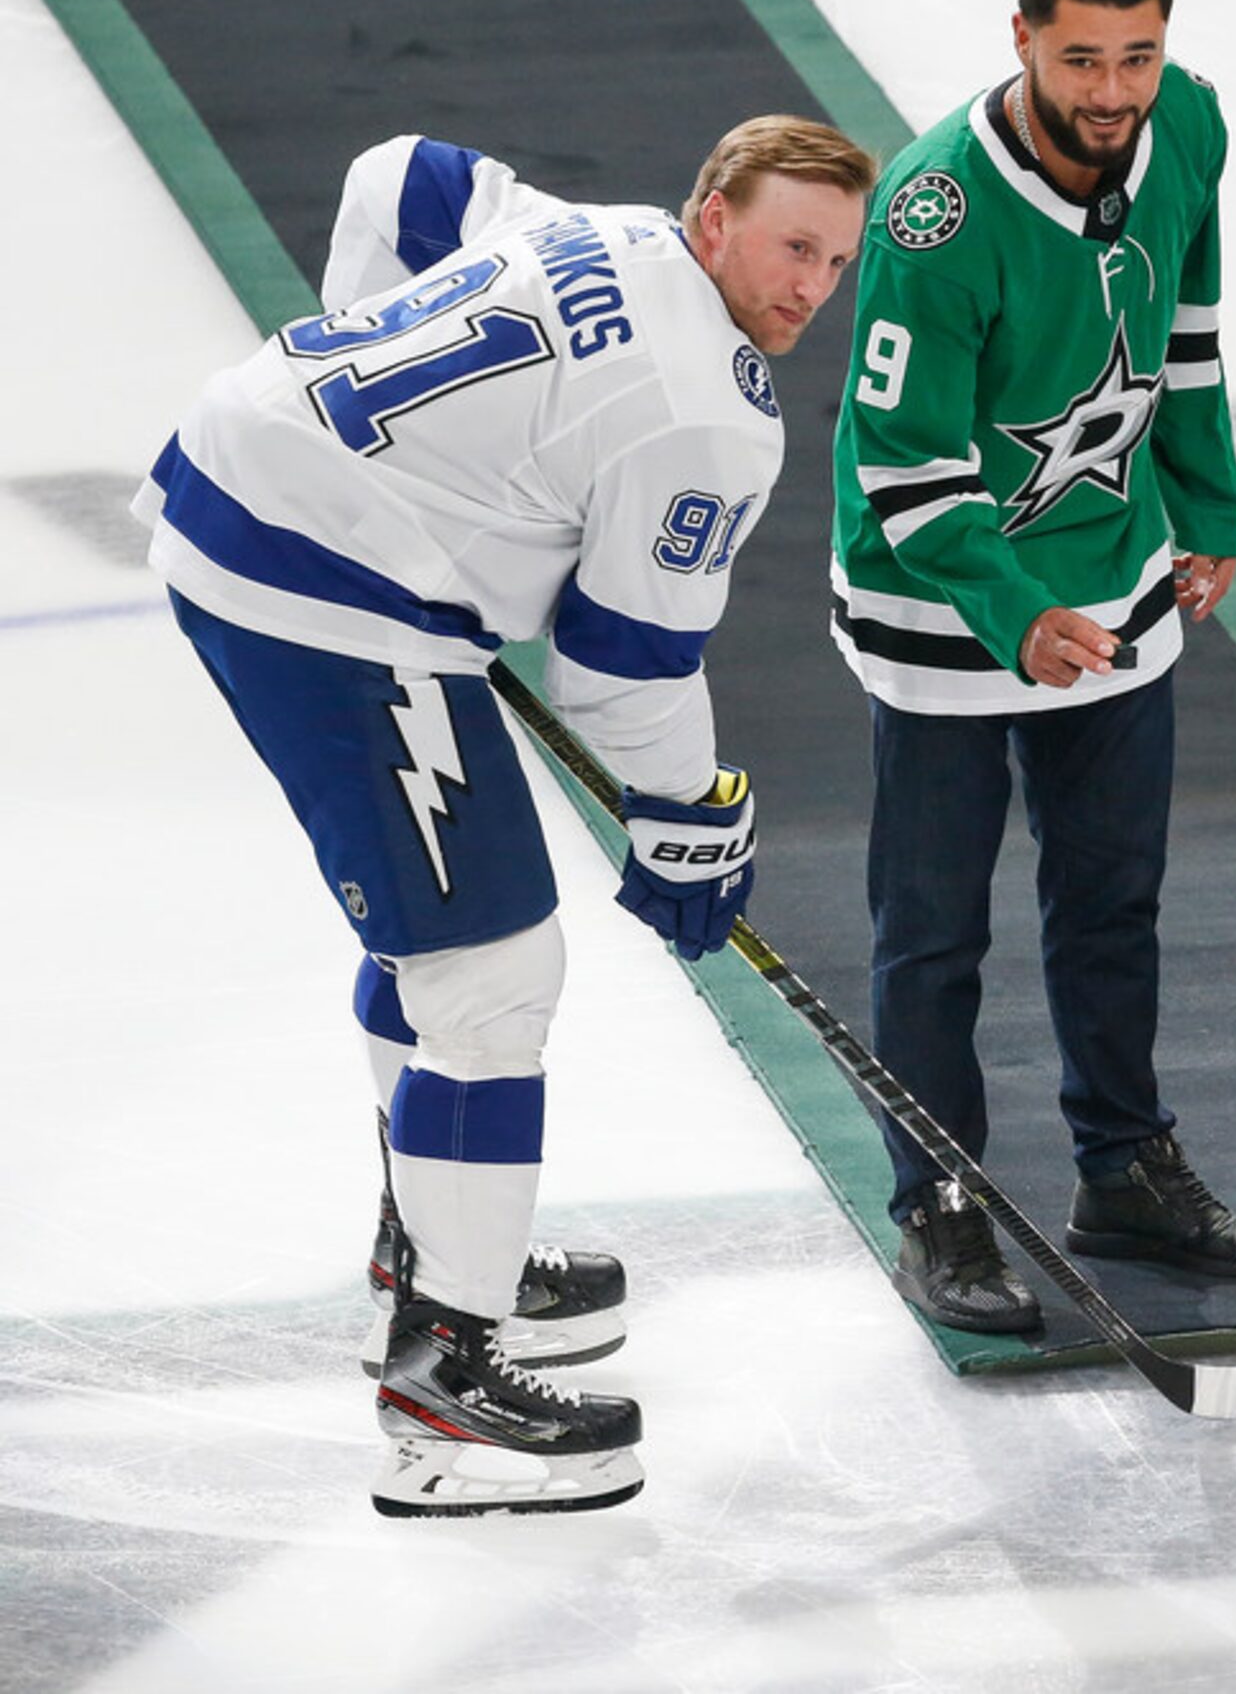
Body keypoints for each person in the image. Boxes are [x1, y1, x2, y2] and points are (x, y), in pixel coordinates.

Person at [134, 118, 876, 1512]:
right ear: (712, 215)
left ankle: (431, 1250)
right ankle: (444, 1379)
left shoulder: (597, 224)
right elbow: (618, 668)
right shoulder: (711, 413)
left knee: (451, 942)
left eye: (834, 263)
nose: (808, 288)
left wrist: (381, 434)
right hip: (328, 597)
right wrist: (691, 816)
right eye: (791, 244)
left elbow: (400, 177)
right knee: (491, 969)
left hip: (238, 485)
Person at [828, 0, 1236, 1336]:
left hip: (1115, 576)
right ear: (1021, 37)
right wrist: (1019, 615)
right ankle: (939, 1200)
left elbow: (1191, 328)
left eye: (1137, 55)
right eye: (1081, 57)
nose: (1111, 89)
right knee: (934, 933)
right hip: (945, 603)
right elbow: (905, 467)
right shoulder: (936, 211)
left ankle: (1123, 1166)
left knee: (1112, 905)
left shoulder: (1189, 124)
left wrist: (1210, 497)